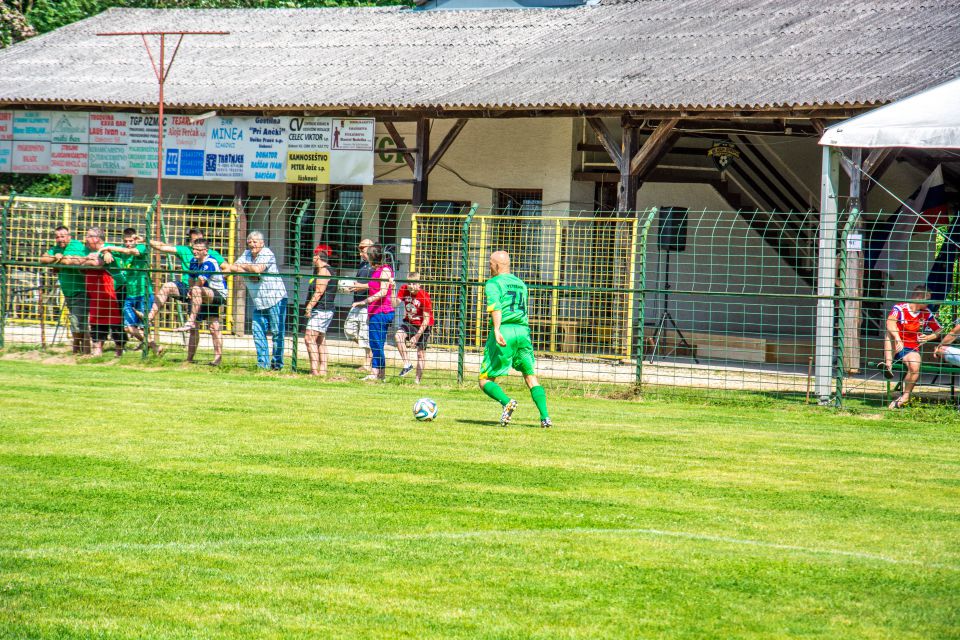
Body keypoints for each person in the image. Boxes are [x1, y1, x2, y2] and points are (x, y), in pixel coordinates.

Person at [478, 251, 551, 428]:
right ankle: (545, 417)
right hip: (523, 332)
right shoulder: (520, 284)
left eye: (489, 264)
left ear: (495, 265)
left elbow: (496, 307)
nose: (489, 266)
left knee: (484, 379)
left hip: (505, 330)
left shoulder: (493, 283)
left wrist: (496, 329)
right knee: (530, 376)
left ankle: (507, 402)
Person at [224, 231, 287, 370]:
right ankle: (262, 365)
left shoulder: (267, 253)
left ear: (262, 243)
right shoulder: (246, 254)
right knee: (258, 332)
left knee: (277, 333)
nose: (252, 244)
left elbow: (258, 269)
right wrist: (250, 271)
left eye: (255, 241)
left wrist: (246, 268)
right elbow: (232, 267)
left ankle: (277, 365)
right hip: (258, 301)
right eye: (250, 242)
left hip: (275, 299)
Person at [147, 228, 225, 325]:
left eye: (199, 240)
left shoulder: (212, 255)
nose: (196, 247)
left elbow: (227, 269)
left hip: (207, 291)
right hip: (190, 289)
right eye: (194, 241)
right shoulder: (186, 251)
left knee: (214, 328)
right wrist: (145, 239)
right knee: (167, 287)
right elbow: (163, 247)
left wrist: (217, 281)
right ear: (191, 242)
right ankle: (148, 318)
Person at [883, 284, 941, 409]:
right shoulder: (900, 308)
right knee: (889, 333)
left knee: (915, 366)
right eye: (928, 299)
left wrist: (928, 337)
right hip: (896, 344)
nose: (929, 302)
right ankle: (888, 365)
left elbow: (939, 330)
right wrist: (898, 338)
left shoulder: (926, 313)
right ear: (920, 297)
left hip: (911, 348)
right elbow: (890, 322)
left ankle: (905, 396)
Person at [100, 228, 157, 353]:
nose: (128, 243)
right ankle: (153, 346)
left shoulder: (142, 247)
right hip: (130, 294)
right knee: (128, 327)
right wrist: (105, 253)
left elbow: (131, 251)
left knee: (143, 326)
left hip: (144, 293)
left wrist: (109, 248)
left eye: (131, 240)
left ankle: (149, 348)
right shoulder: (121, 250)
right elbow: (101, 249)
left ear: (135, 240)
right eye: (125, 241)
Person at [40, 225, 90, 354]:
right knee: (77, 321)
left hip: (81, 289)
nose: (60, 239)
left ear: (69, 236)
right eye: (57, 237)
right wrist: (56, 257)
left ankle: (79, 350)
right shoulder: (57, 248)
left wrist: (59, 258)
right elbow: (43, 258)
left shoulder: (76, 245)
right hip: (68, 291)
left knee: (78, 321)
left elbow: (70, 261)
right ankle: (81, 350)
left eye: (63, 236)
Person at [80, 227, 126, 357]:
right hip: (97, 295)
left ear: (96, 238)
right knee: (96, 321)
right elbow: (80, 265)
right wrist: (86, 260)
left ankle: (119, 353)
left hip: (114, 292)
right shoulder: (90, 251)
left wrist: (86, 260)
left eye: (88, 236)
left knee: (116, 322)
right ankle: (97, 351)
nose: (86, 239)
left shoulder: (108, 250)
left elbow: (98, 263)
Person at [351, 244, 394, 381]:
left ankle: (376, 372)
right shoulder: (377, 270)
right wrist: (360, 287)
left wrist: (364, 301)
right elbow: (372, 285)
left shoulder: (385, 270)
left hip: (382, 311)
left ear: (372, 257)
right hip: (374, 311)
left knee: (376, 343)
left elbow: (382, 291)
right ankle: (379, 374)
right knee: (376, 343)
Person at [184, 239, 227, 366]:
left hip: (216, 294)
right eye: (194, 249)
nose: (194, 251)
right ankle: (189, 359)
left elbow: (201, 281)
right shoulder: (193, 261)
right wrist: (191, 290)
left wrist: (193, 291)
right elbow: (191, 279)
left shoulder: (210, 262)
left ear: (206, 251)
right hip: (201, 294)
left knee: (214, 327)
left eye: (198, 249)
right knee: (202, 328)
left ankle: (218, 357)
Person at [304, 244, 337, 377]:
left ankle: (314, 371)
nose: (312, 258)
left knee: (309, 338)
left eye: (314, 255)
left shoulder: (323, 271)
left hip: (321, 310)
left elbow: (319, 291)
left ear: (317, 257)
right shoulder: (327, 270)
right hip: (325, 310)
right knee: (320, 340)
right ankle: (322, 369)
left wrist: (309, 306)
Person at [394, 272, 434, 384]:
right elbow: (394, 304)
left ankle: (417, 381)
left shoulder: (424, 296)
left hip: (423, 325)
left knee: (420, 353)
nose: (411, 285)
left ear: (419, 284)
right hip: (409, 322)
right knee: (398, 336)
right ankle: (407, 364)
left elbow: (426, 320)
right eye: (409, 283)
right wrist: (393, 290)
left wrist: (416, 337)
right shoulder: (404, 289)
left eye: (413, 283)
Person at [344, 238, 375, 371]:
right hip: (356, 302)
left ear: (370, 248)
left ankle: (367, 363)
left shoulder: (376, 265)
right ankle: (371, 351)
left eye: (362, 248)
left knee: (364, 334)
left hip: (367, 303)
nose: (360, 251)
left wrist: (361, 287)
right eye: (359, 248)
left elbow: (377, 285)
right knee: (349, 330)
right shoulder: (362, 264)